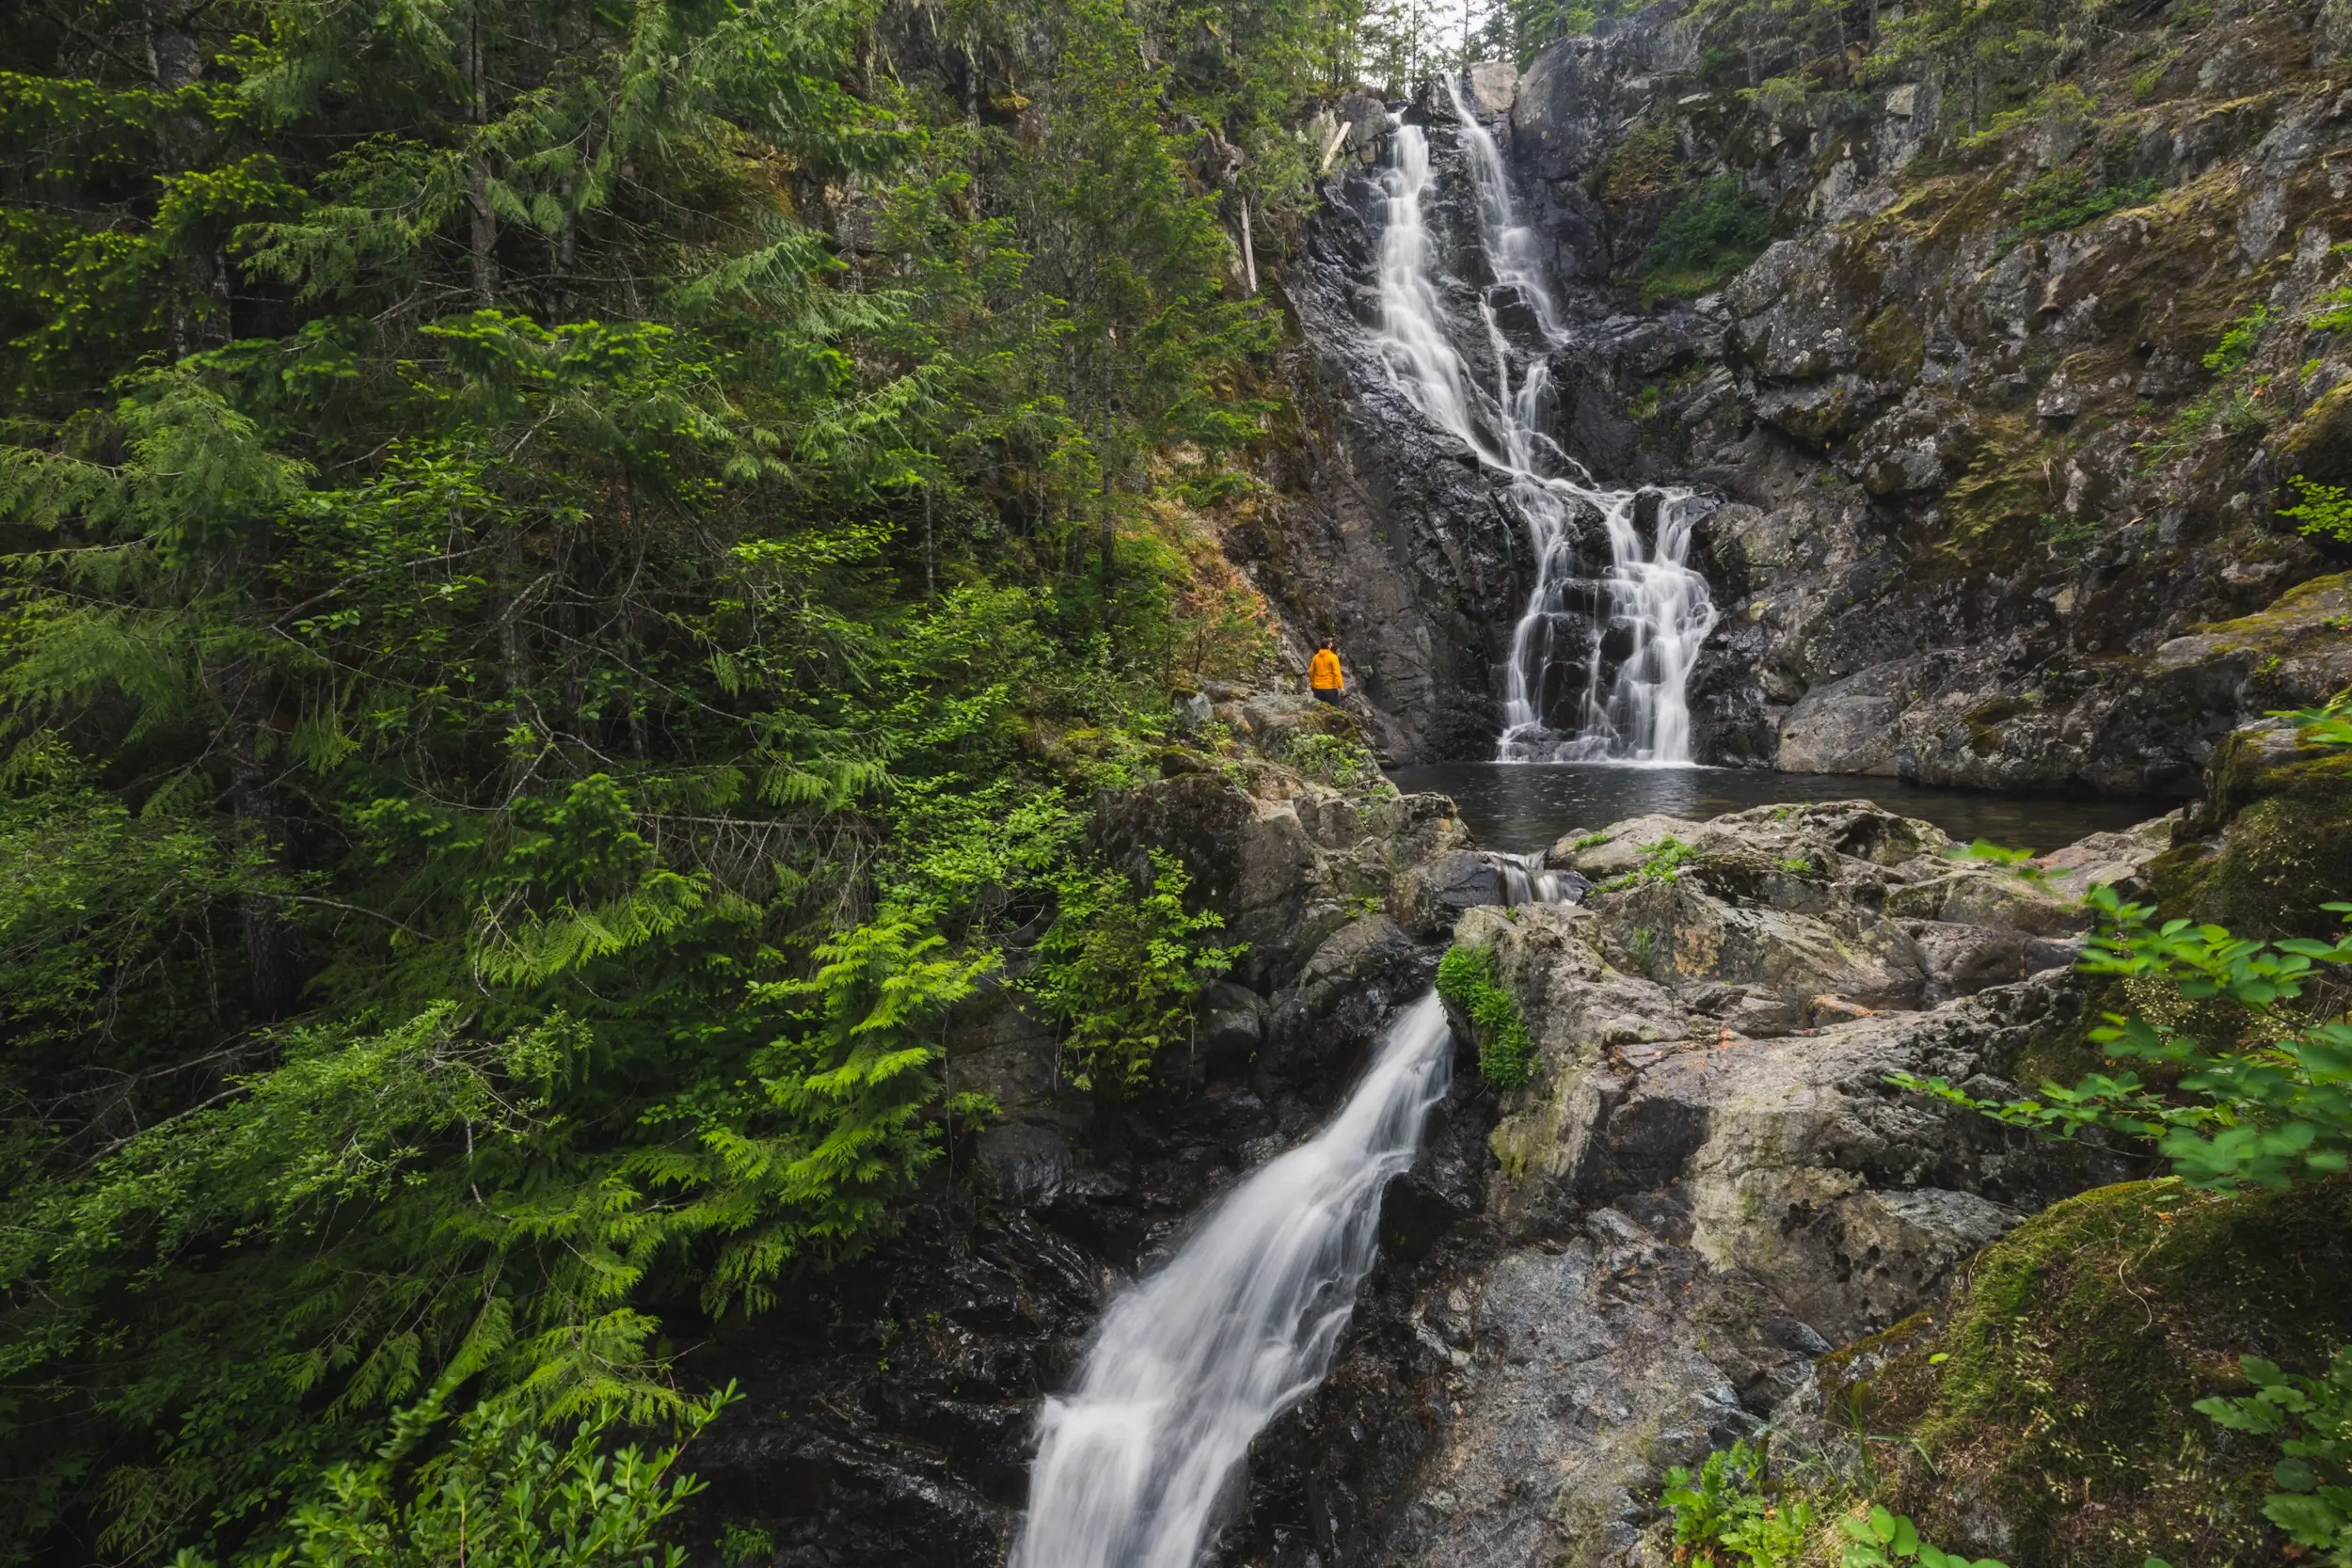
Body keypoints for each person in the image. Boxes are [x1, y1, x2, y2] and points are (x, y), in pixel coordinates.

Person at [1308, 638, 1343, 704]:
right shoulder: (1333, 657)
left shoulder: (1316, 657)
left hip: (1317, 688)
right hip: (1330, 688)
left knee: (1318, 709)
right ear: (1329, 645)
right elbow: (1337, 673)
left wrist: (1312, 684)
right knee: (1334, 710)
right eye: (1331, 643)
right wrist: (1341, 686)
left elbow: (1311, 671)